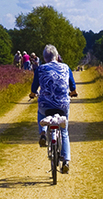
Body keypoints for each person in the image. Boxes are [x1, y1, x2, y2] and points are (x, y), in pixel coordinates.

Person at [29, 44, 77, 174]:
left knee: (40, 113)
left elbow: (34, 87)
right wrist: (73, 92)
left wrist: (33, 94)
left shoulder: (40, 69)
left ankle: (43, 133)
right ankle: (66, 160)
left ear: (44, 58)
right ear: (56, 56)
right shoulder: (66, 67)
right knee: (64, 131)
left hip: (46, 105)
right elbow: (72, 85)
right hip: (62, 105)